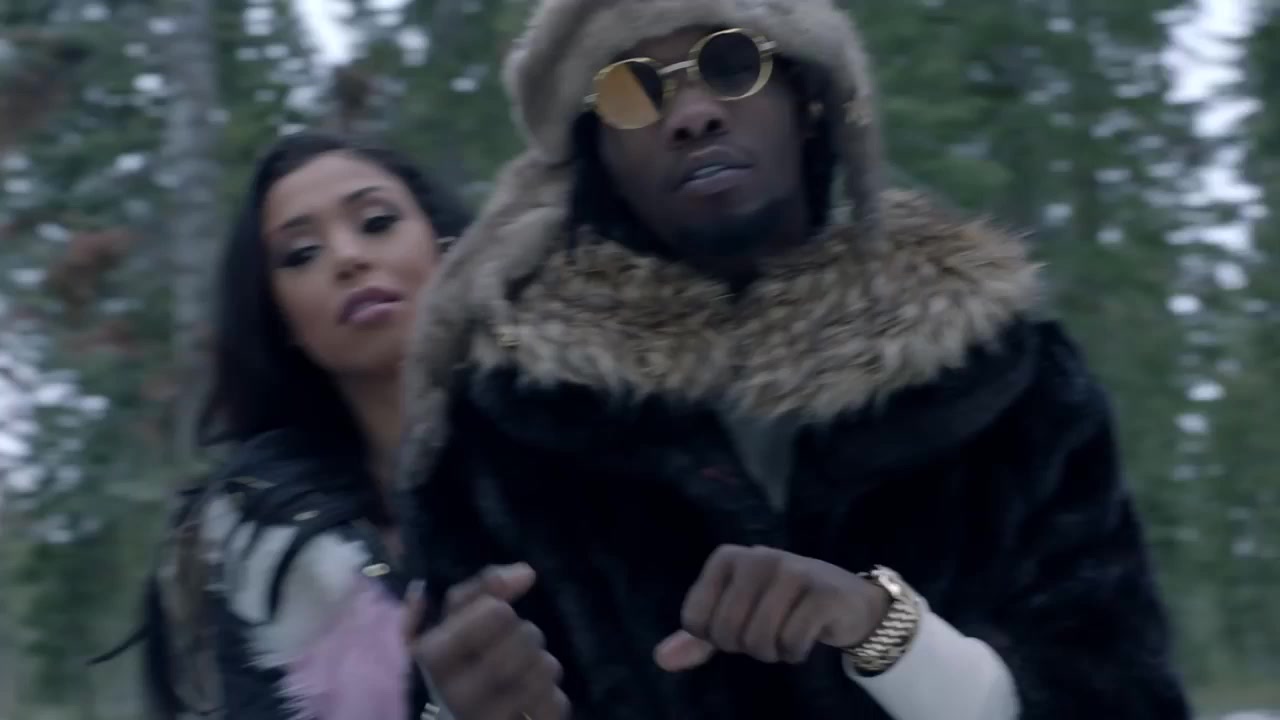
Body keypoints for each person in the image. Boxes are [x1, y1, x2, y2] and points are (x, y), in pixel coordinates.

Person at [395, 1, 1193, 719]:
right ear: (598, 153)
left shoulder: (1007, 382)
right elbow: (452, 679)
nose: (692, 114)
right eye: (633, 90)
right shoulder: (507, 429)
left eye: (730, 64)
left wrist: (891, 635)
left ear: (806, 100)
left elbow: (1125, 692)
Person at [123, 130, 472, 720]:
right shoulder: (251, 550)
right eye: (301, 254)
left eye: (377, 222)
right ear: (282, 319)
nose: (347, 258)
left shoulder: (584, 444)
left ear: (445, 244)